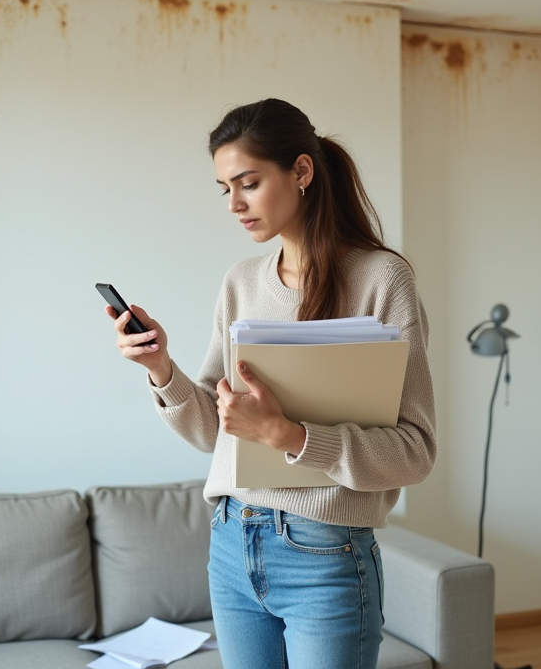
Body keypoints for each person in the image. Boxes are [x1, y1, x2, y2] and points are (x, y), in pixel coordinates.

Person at [105, 98, 436, 669]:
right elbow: (216, 430)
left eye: (248, 183)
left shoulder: (383, 279)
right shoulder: (240, 282)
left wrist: (291, 435)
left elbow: (415, 453)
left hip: (326, 551)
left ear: (301, 172)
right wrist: (161, 368)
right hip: (234, 541)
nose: (233, 204)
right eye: (224, 188)